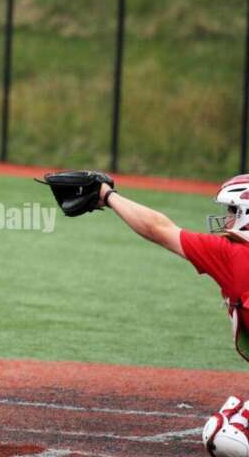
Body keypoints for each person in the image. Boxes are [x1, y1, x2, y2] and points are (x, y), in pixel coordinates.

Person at [91, 176, 249, 457]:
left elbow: (158, 228)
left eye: (232, 212)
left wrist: (108, 196)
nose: (226, 220)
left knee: (226, 436)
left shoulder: (234, 256)